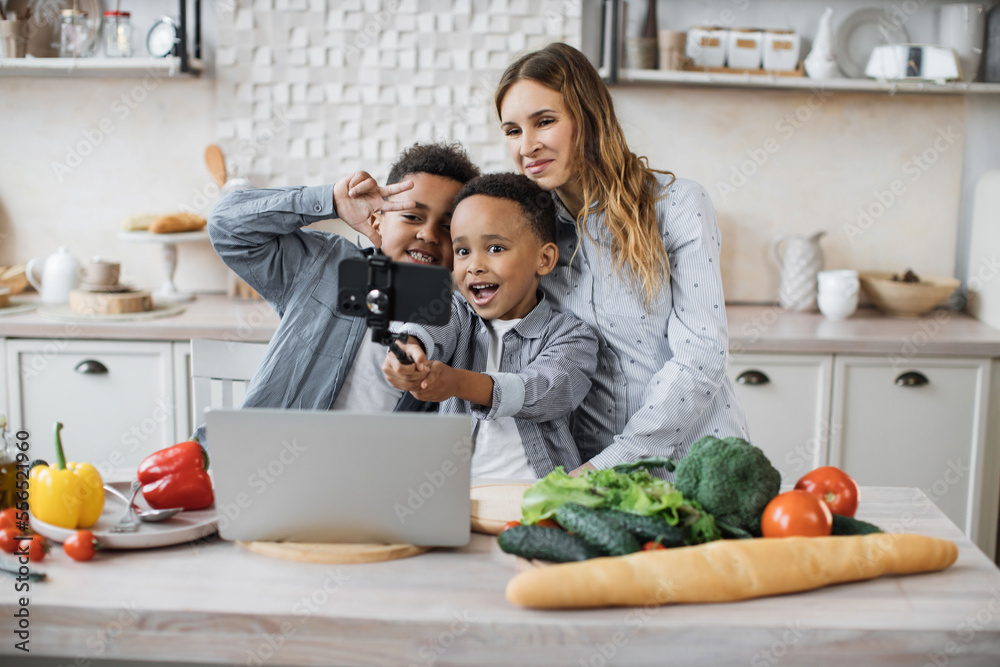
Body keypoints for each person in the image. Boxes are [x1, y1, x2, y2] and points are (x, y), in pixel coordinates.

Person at [494, 42, 750, 473]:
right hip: (588, 473)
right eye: (512, 130)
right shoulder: (528, 234)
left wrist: (612, 464)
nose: (527, 146)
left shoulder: (677, 205)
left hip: (697, 467)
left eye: (545, 122)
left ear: (589, 118)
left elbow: (701, 357)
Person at [195, 143, 480, 441]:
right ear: (375, 220)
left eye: (447, 228)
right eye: (411, 216)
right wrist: (329, 199)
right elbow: (226, 226)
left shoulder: (462, 317)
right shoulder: (326, 266)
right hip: (265, 463)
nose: (428, 234)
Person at [382, 173, 599, 479]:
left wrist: (458, 383)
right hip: (452, 500)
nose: (474, 265)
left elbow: (545, 392)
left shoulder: (571, 336)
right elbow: (426, 327)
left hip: (539, 500)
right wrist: (409, 350)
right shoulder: (456, 311)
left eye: (495, 248)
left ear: (545, 258)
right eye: (462, 251)